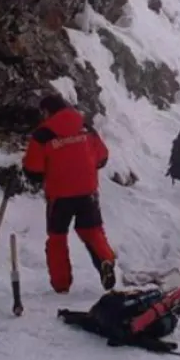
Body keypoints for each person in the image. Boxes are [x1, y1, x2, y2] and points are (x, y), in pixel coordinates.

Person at [23, 93, 117, 293]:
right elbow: (103, 157)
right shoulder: (85, 126)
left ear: (46, 111)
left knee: (57, 238)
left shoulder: (43, 134)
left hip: (59, 196)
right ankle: (106, 260)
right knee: (92, 231)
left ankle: (61, 284)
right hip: (88, 192)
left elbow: (34, 171)